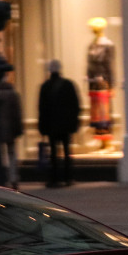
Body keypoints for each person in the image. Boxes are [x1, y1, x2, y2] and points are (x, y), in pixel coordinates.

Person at [37, 59, 82, 187]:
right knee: (67, 151)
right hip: (66, 125)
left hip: (51, 126)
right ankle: (68, 177)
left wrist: (42, 126)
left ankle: (54, 178)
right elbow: (75, 105)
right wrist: (74, 122)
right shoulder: (68, 85)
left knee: (53, 152)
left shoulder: (45, 86)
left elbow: (42, 108)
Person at [0, 77, 23, 189]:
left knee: (0, 154)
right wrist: (18, 128)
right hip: (10, 129)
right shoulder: (12, 94)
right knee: (11, 154)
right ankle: (13, 178)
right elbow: (17, 113)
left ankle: (1, 177)